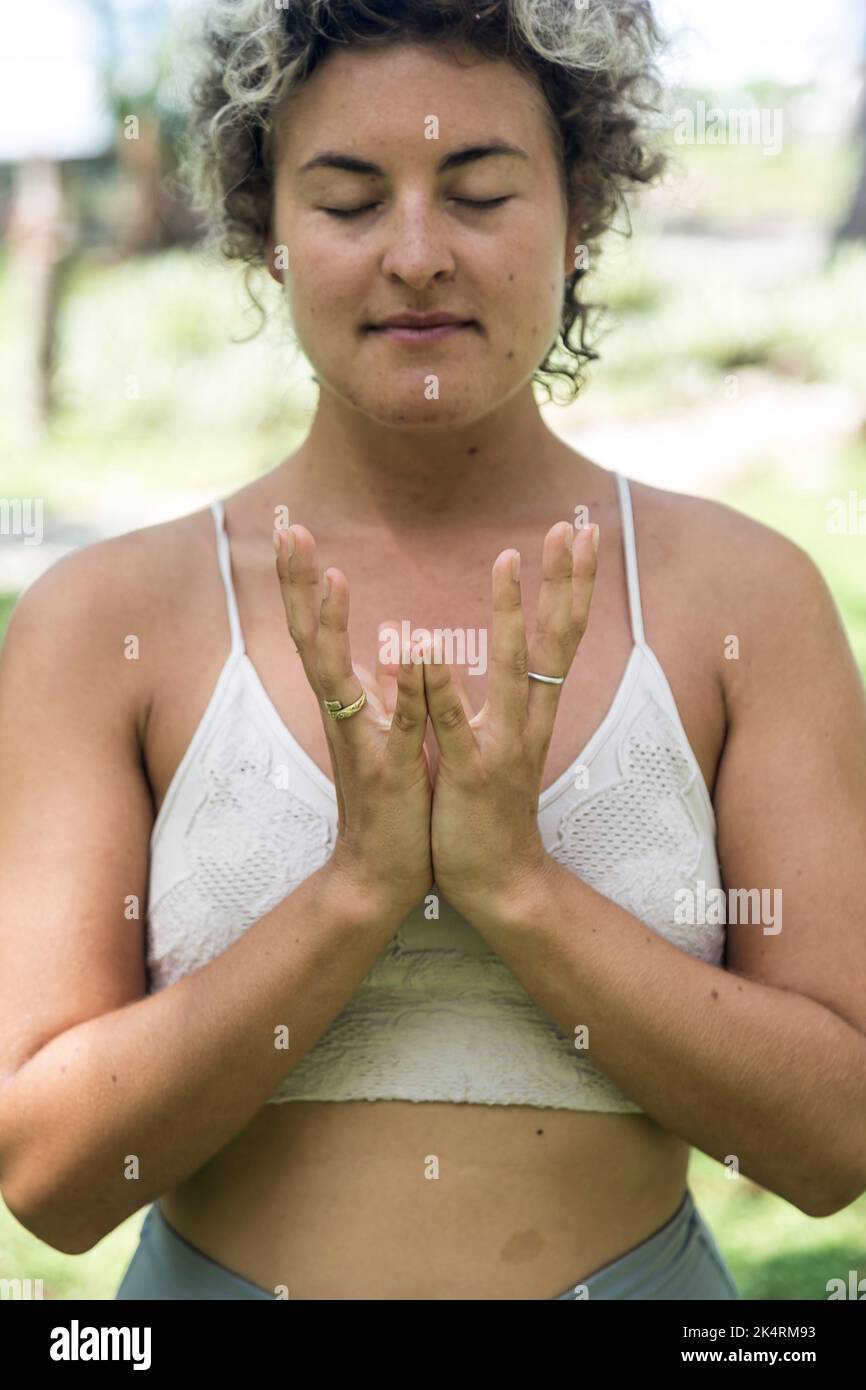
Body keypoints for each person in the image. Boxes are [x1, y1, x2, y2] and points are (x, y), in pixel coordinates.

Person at [2, 0, 865, 1302]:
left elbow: (829, 1145)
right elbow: (52, 1179)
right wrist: (356, 888)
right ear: (267, 235)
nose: (415, 255)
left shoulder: (747, 599)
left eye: (477, 192)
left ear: (579, 214)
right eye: (347, 202)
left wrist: (515, 884)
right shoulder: (102, 619)